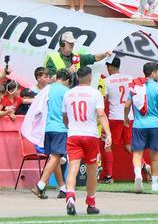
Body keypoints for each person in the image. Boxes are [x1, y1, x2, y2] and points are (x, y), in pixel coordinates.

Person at [61, 67, 111, 216]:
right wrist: (108, 133)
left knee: (73, 169)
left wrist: (70, 127)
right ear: (90, 78)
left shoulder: (68, 94)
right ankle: (91, 203)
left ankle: (70, 196)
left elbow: (64, 117)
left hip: (73, 134)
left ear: (77, 77)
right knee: (92, 171)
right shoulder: (95, 93)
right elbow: (101, 115)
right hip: (90, 135)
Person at [124, 62, 158, 193]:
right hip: (154, 125)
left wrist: (126, 118)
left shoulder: (136, 86)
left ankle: (138, 175)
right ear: (153, 73)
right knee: (155, 156)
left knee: (137, 153)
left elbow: (126, 105)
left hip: (138, 125)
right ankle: (154, 183)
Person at [31, 70, 73, 200]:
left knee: (54, 157)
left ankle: (62, 188)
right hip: (60, 128)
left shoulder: (48, 89)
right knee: (56, 157)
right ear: (66, 80)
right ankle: (40, 185)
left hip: (47, 127)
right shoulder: (66, 92)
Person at [101, 57, 132, 183]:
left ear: (109, 67)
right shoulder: (130, 78)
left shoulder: (106, 81)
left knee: (107, 145)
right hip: (129, 116)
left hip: (114, 117)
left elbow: (102, 101)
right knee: (129, 146)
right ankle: (143, 164)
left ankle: (109, 176)